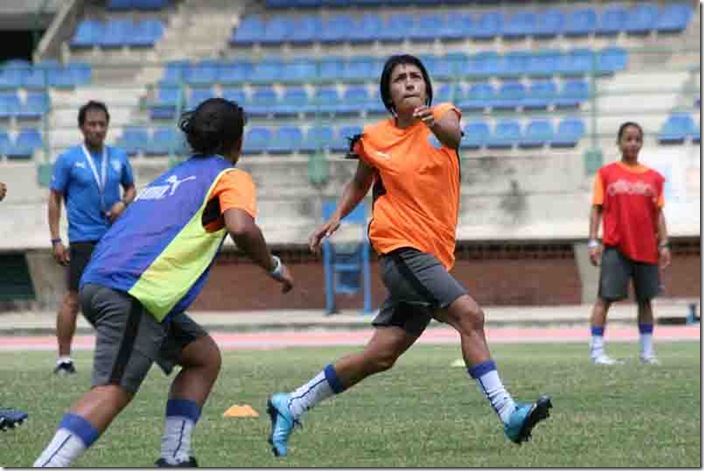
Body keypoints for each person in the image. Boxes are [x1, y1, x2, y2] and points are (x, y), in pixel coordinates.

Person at [265, 54, 551, 458]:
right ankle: (508, 414)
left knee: (379, 356)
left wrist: (431, 119)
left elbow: (453, 135)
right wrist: (335, 217)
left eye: (416, 76)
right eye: (399, 79)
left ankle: (291, 404)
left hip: (431, 255)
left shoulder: (444, 117)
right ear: (388, 94)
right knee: (471, 316)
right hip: (399, 249)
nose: (409, 82)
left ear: (427, 87)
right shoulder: (375, 137)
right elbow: (360, 182)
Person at [33, 98, 294, 468]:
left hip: (101, 281)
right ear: (238, 142)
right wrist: (273, 266)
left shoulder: (173, 176)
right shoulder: (230, 177)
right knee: (112, 389)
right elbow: (240, 226)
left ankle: (175, 457)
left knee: (203, 357)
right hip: (133, 293)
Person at [48, 100, 137, 375]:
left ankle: (115, 355)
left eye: (102, 124)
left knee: (118, 297)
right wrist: (56, 239)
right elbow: (54, 198)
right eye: (92, 124)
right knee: (73, 298)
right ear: (81, 127)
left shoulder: (119, 157)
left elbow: (132, 189)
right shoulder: (68, 159)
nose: (97, 129)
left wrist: (123, 203)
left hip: (114, 239)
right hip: (82, 239)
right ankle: (64, 359)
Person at [587, 122, 671, 365]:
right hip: (616, 247)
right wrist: (593, 240)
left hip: (646, 248)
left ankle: (647, 352)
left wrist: (664, 243)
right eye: (628, 139)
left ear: (641, 143)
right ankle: (597, 351)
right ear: (619, 142)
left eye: (637, 139)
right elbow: (596, 209)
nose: (632, 143)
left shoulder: (654, 178)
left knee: (646, 299)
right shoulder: (606, 174)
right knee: (605, 298)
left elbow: (659, 214)